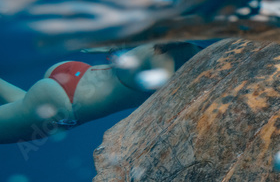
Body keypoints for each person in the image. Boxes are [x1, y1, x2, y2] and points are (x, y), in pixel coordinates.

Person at [0, 42, 199, 145]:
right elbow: (167, 105)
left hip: (75, 73)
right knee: (22, 111)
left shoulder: (157, 44)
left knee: (22, 105)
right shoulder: (175, 57)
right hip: (66, 104)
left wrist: (114, 49)